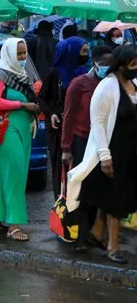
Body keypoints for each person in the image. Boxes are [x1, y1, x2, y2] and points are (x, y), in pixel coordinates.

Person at [67, 46, 137, 264]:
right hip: (113, 151)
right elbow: (97, 123)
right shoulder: (107, 87)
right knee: (115, 199)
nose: (135, 69)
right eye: (132, 65)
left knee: (116, 197)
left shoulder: (133, 85)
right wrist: (105, 156)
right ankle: (113, 247)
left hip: (130, 152)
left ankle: (97, 233)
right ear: (120, 65)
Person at [0, 38, 40, 242]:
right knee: (12, 175)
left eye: (24, 53)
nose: (23, 57)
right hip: (5, 129)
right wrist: (22, 106)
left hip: (21, 128)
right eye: (19, 54)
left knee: (7, 175)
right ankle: (14, 225)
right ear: (8, 54)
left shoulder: (22, 74)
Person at [61, 45, 113, 251]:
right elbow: (68, 116)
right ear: (94, 63)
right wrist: (66, 147)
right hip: (81, 141)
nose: (107, 68)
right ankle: (80, 238)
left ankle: (93, 233)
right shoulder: (79, 84)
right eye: (104, 65)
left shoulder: (111, 84)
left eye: (111, 65)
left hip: (103, 143)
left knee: (97, 191)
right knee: (81, 190)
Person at [38, 36, 89, 199]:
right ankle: (61, 204)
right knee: (60, 166)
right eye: (83, 51)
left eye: (87, 52)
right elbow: (41, 98)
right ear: (71, 52)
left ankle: (77, 203)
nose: (85, 55)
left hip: (79, 127)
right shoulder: (54, 73)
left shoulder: (85, 73)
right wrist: (51, 113)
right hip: (57, 127)